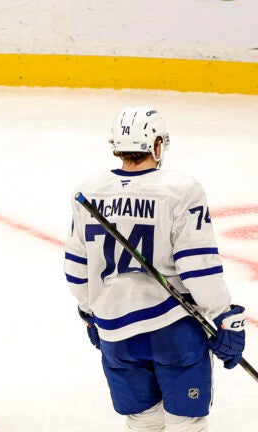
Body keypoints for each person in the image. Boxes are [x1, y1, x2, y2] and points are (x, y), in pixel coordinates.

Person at [64, 106, 246, 431]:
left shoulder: (89, 191)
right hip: (172, 329)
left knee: (142, 421)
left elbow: (77, 267)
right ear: (157, 145)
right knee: (185, 422)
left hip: (115, 331)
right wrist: (224, 316)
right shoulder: (181, 190)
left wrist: (90, 314)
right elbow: (198, 264)